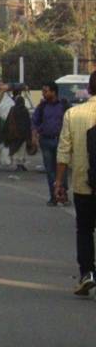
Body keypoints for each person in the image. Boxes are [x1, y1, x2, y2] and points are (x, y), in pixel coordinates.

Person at [53, 70, 96, 296]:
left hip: (83, 183)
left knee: (85, 230)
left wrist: (59, 182)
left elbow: (63, 151)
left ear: (89, 89)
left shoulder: (73, 114)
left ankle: (87, 273)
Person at [33, 81, 69, 206]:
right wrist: (35, 135)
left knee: (62, 169)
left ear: (53, 92)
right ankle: (53, 196)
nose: (43, 93)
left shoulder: (64, 106)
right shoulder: (42, 106)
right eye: (43, 91)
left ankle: (63, 194)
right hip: (46, 141)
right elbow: (35, 122)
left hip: (61, 141)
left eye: (46, 91)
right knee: (50, 170)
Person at [0, 93, 31, 172]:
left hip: (14, 134)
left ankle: (19, 164)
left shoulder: (13, 109)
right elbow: (28, 123)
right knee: (21, 149)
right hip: (23, 134)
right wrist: (29, 135)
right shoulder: (25, 110)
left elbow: (8, 121)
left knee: (16, 149)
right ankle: (20, 164)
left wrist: (3, 134)